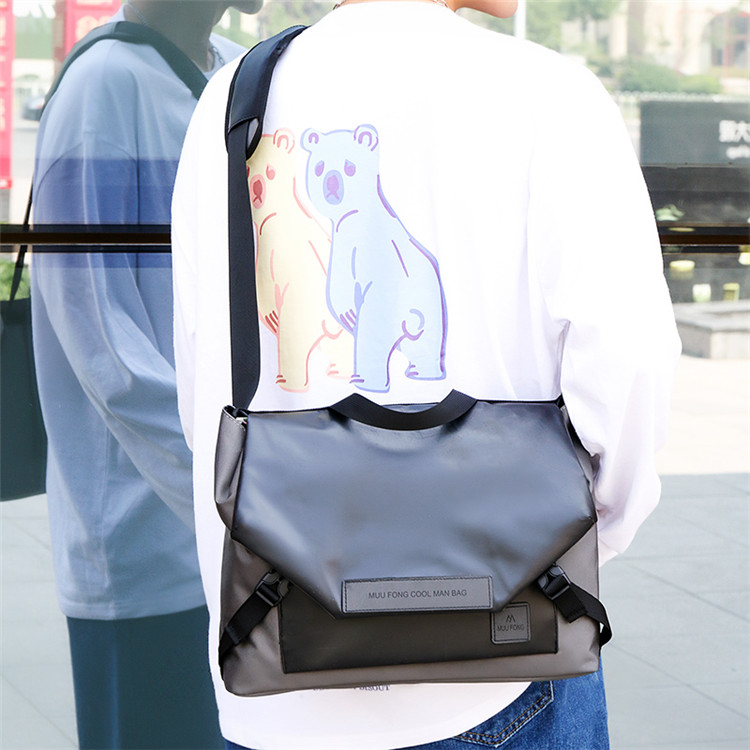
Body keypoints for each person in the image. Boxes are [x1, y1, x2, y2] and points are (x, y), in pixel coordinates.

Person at [171, 0, 681, 747]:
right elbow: (627, 374)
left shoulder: (237, 94)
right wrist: (564, 552)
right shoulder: (549, 94)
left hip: (276, 669)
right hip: (496, 672)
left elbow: (204, 387)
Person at [30, 2, 260, 747]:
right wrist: (233, 496)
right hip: (146, 550)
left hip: (240, 538)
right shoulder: (102, 88)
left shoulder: (236, 70)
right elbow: (104, 345)